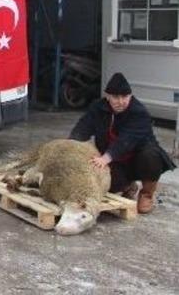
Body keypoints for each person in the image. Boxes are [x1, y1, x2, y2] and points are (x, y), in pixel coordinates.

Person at [70, 72, 176, 214]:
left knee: (150, 156)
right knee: (108, 185)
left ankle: (146, 194)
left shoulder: (139, 112)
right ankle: (128, 186)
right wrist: (70, 144)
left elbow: (126, 140)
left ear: (130, 96)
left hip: (138, 157)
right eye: (115, 97)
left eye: (125, 97)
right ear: (107, 96)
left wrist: (105, 158)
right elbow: (83, 126)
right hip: (117, 161)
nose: (121, 102)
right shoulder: (98, 108)